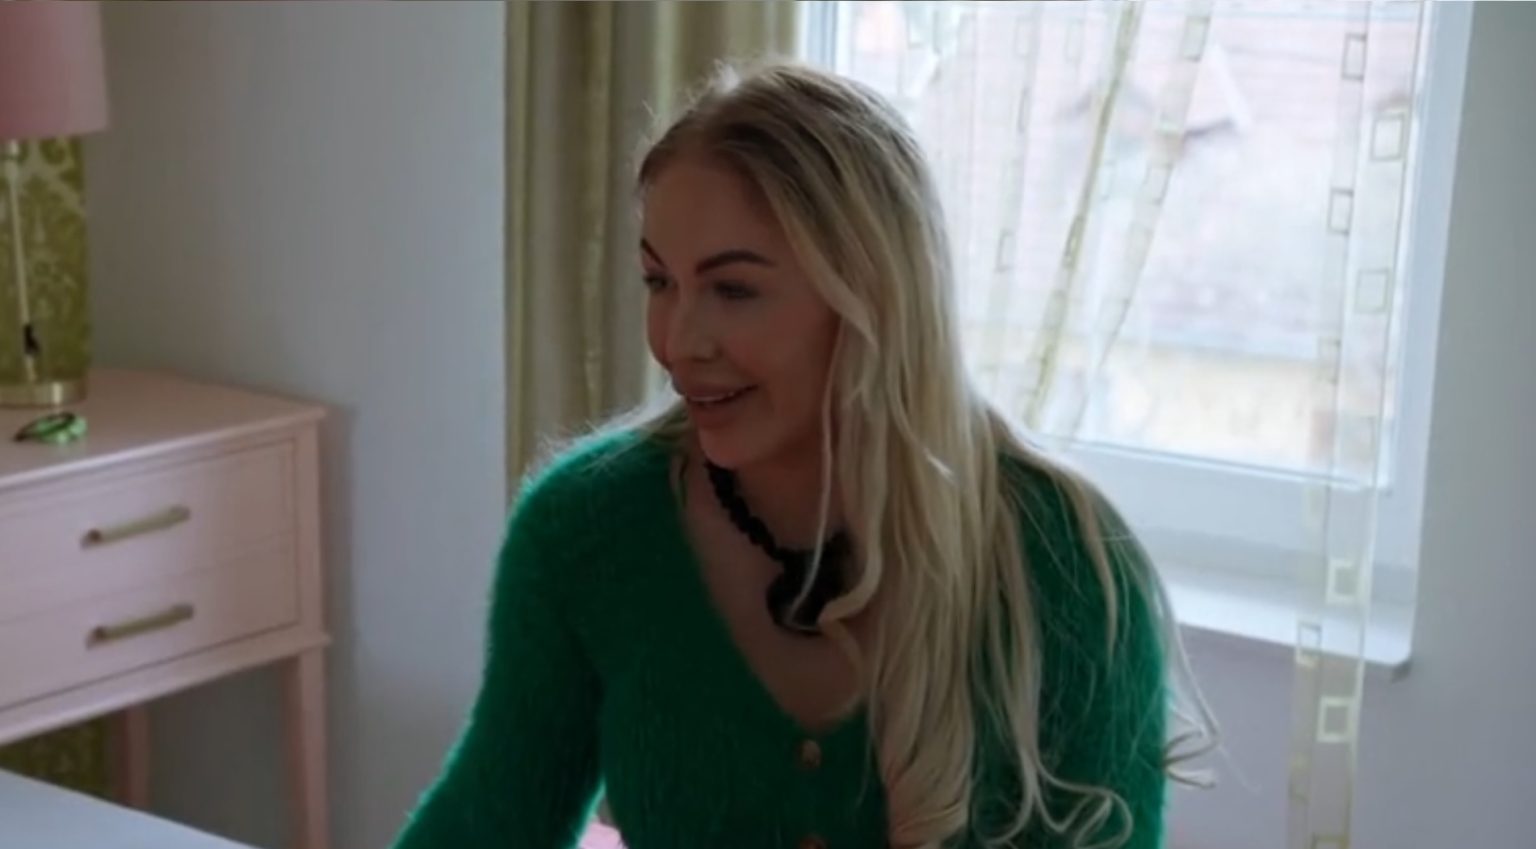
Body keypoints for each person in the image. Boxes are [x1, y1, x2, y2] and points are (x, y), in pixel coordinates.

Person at [392, 61, 1211, 849]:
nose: (677, 341)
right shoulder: (586, 527)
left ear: (873, 299)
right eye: (658, 281)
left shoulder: (1065, 561)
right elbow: (487, 821)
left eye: (733, 289)